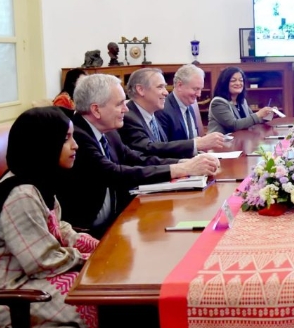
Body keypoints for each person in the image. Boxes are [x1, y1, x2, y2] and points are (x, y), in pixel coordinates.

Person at [0, 107, 99, 328]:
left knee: (93, 287)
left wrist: (94, 245)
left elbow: (59, 228)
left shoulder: (39, 181)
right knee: (95, 298)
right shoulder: (22, 194)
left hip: (23, 282)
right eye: (66, 138)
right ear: (43, 143)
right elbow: (43, 261)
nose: (75, 145)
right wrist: (86, 259)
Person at [57, 74, 219, 236]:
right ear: (96, 110)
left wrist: (183, 163)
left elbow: (137, 159)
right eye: (120, 104)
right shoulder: (77, 136)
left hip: (115, 221)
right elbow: (115, 173)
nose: (126, 109)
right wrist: (181, 169)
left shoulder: (108, 132)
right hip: (86, 233)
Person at [119, 68, 225, 159]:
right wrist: (195, 145)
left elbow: (163, 149)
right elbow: (148, 150)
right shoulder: (128, 117)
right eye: (160, 87)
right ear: (140, 90)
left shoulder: (152, 114)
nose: (166, 92)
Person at [156, 65, 224, 151]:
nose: (199, 94)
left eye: (200, 89)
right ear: (179, 85)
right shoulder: (162, 110)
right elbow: (164, 149)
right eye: (196, 89)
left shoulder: (189, 105)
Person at [207, 66, 274, 134]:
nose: (238, 83)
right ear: (225, 83)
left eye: (241, 80)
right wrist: (258, 114)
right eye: (233, 80)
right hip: (222, 142)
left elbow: (251, 121)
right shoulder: (218, 102)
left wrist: (267, 115)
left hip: (239, 141)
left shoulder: (242, 101)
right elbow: (234, 125)